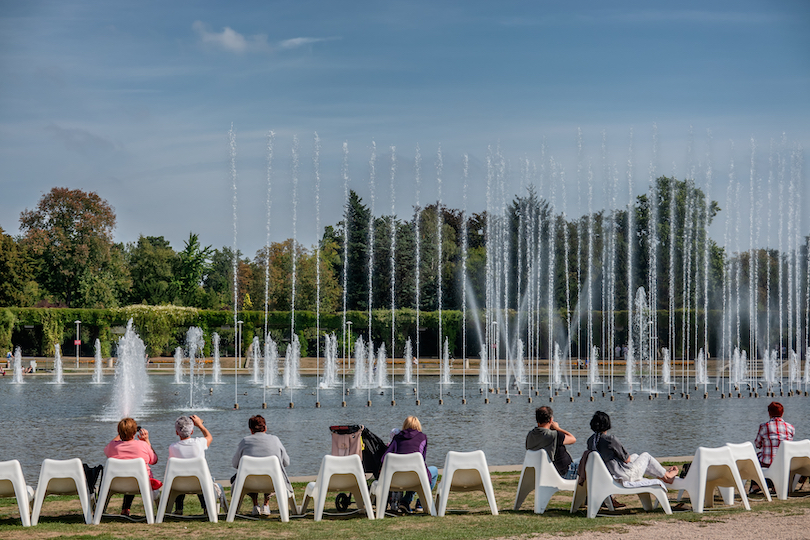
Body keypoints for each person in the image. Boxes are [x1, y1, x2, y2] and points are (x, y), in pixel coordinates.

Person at [587, 411, 678, 486]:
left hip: (609, 474)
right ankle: (668, 476)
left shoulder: (591, 441)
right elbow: (627, 459)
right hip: (623, 476)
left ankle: (662, 475)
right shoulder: (610, 440)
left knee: (636, 456)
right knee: (646, 456)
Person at [231, 415, 291, 516]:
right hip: (272, 482)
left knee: (243, 475)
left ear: (251, 430)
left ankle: (255, 505)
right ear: (265, 428)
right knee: (271, 472)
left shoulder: (245, 441)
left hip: (249, 482)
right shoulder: (275, 440)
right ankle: (265, 505)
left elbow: (235, 464)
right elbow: (286, 462)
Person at [381, 416, 438, 513]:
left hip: (396, 478)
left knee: (412, 472)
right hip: (416, 477)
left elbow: (384, 459)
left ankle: (405, 502)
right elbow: (422, 459)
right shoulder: (423, 437)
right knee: (434, 471)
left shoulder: (397, 438)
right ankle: (419, 503)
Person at [103, 418, 159, 516]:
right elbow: (154, 460)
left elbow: (107, 448)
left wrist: (122, 433)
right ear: (134, 432)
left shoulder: (113, 446)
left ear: (118, 432)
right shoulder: (143, 445)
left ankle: (125, 509)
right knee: (135, 474)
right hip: (141, 484)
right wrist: (146, 440)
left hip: (116, 484)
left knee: (128, 473)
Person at [168, 415, 213, 515]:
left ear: (176, 432)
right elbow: (209, 437)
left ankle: (179, 508)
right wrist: (200, 425)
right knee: (201, 477)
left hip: (179, 485)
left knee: (180, 474)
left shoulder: (173, 447)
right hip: (200, 484)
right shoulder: (199, 443)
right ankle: (206, 508)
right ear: (192, 431)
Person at [526, 406, 577, 479]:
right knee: (589, 461)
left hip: (543, 473)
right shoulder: (554, 435)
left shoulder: (531, 435)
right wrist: (557, 428)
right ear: (550, 420)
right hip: (565, 472)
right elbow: (573, 439)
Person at [755, 401, 795, 468]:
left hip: (767, 464)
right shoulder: (790, 427)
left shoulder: (764, 427)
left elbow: (757, 444)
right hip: (785, 463)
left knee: (756, 456)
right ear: (782, 413)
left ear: (769, 413)